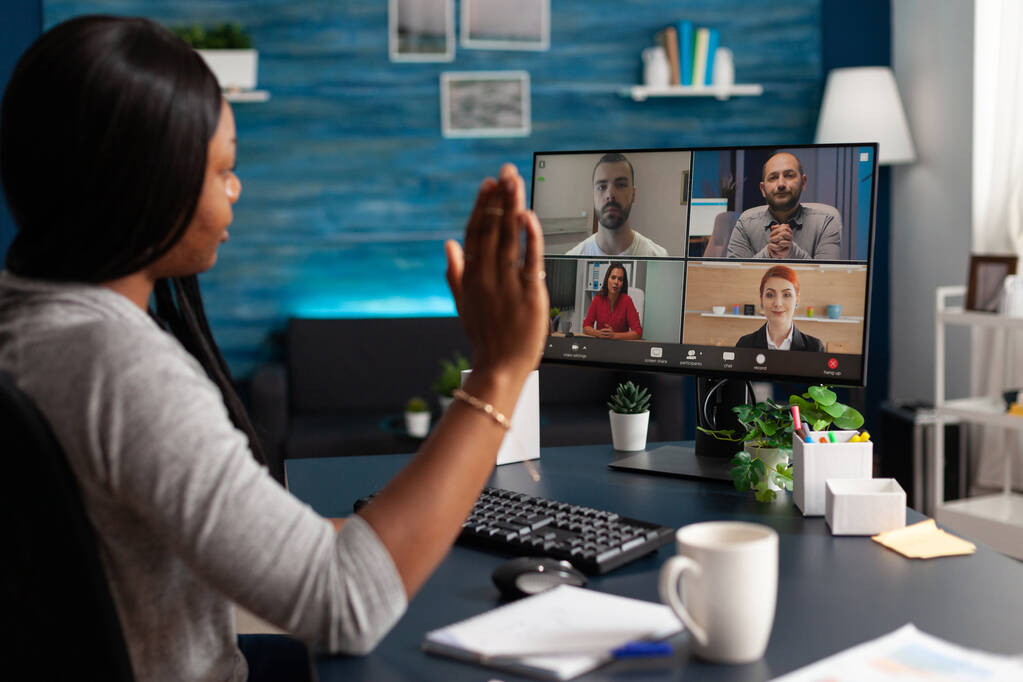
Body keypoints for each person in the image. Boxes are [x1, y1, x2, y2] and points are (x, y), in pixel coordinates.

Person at [0, 15, 548, 682]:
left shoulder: (28, 322)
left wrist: (409, 528)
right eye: (223, 168)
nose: (236, 188)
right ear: (147, 185)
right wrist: (500, 369)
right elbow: (344, 604)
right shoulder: (121, 370)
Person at [726, 152, 843, 260]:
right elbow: (734, 276)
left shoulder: (826, 222)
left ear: (803, 182)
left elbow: (828, 278)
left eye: (789, 175)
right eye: (773, 177)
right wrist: (769, 252)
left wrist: (792, 251)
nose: (781, 184)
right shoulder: (745, 224)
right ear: (763, 189)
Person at [566, 152, 669, 257]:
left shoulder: (659, 256)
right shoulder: (573, 256)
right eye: (602, 187)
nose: (610, 194)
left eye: (620, 185)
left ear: (633, 194)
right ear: (593, 196)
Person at [735, 265, 825, 351]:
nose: (778, 303)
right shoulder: (744, 345)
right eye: (770, 295)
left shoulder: (815, 348)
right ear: (761, 299)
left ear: (797, 299)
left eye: (786, 295)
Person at [582, 262, 642, 340]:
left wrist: (614, 336)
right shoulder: (598, 299)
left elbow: (638, 332)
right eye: (613, 277)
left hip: (620, 346)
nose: (616, 282)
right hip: (601, 344)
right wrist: (597, 333)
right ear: (607, 279)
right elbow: (586, 326)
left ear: (623, 283)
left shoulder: (627, 301)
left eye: (620, 279)